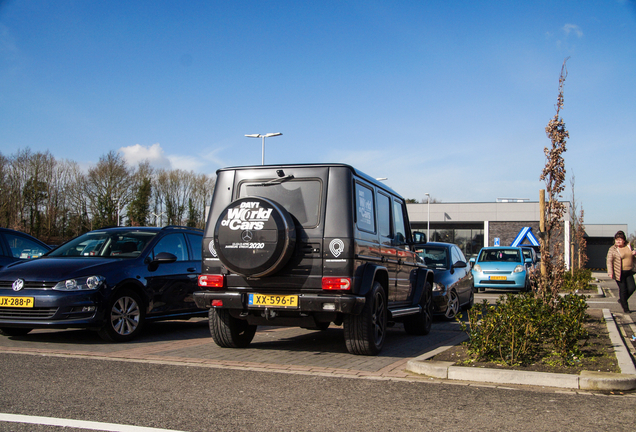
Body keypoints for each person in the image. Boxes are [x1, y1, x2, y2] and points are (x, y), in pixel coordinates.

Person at [606, 230, 636, 313]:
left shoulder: (629, 246)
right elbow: (609, 261)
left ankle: (622, 300)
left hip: (629, 271)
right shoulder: (613, 249)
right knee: (623, 290)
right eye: (616, 240)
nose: (618, 241)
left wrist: (635, 253)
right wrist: (610, 272)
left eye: (620, 240)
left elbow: (634, 256)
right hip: (619, 272)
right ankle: (626, 308)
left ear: (624, 240)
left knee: (632, 288)